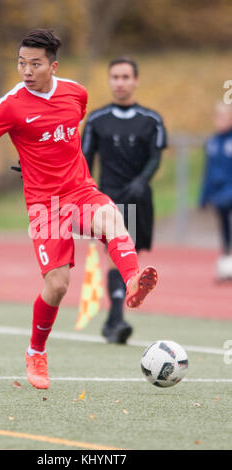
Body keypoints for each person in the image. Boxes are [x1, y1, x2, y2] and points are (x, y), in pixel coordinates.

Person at [0, 30, 158, 390]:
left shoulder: (76, 93)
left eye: (35, 64)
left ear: (53, 65)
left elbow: (69, 129)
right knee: (57, 285)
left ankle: (132, 281)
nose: (26, 70)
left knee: (111, 216)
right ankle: (36, 351)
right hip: (45, 205)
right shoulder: (11, 105)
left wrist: (50, 157)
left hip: (80, 190)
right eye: (21, 63)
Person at [82, 57, 167, 344]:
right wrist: (87, 193)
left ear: (136, 81)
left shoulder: (151, 120)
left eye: (125, 77)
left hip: (140, 198)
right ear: (109, 81)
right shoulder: (96, 119)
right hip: (108, 198)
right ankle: (117, 319)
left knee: (131, 258)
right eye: (115, 77)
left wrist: (142, 181)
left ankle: (112, 319)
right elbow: (83, 159)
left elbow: (156, 157)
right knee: (114, 258)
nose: (120, 82)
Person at [199, 101, 232, 281]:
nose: (221, 120)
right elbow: (208, 172)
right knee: (224, 229)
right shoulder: (212, 143)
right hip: (219, 196)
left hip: (229, 193)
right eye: (219, 116)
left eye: (225, 116)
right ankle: (226, 260)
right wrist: (203, 198)